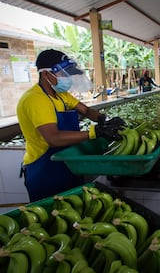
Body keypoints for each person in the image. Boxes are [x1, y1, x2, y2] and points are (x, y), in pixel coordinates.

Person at [17, 49, 125, 202]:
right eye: (63, 74)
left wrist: (104, 120)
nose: (67, 78)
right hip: (45, 171)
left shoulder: (60, 95)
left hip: (68, 165)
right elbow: (53, 138)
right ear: (46, 74)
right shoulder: (35, 100)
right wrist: (95, 132)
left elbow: (85, 110)